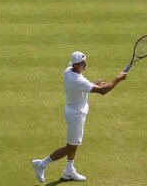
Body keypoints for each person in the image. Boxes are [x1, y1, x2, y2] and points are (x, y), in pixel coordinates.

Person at [31, 51, 127, 183]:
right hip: (76, 115)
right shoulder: (78, 80)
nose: (85, 64)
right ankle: (41, 164)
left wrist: (93, 83)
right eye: (82, 63)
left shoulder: (68, 71)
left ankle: (68, 171)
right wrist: (118, 79)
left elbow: (84, 87)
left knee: (74, 144)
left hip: (74, 112)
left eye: (85, 61)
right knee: (70, 147)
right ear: (76, 65)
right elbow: (103, 91)